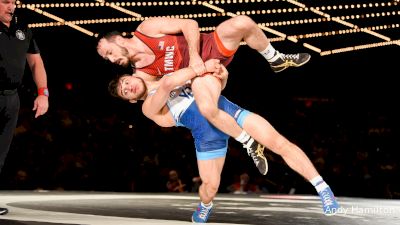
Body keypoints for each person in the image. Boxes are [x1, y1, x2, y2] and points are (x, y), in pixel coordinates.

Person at [108, 59, 340, 222]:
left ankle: (324, 189)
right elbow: (168, 85)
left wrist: (222, 77)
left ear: (131, 76)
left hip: (229, 112)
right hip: (208, 137)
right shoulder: (150, 107)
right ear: (130, 100)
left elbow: (214, 87)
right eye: (125, 91)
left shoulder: (169, 72)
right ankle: (206, 205)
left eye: (125, 82)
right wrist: (202, 67)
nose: (128, 86)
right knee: (210, 187)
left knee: (281, 144)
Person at [97, 16, 311, 176]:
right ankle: (249, 142)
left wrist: (195, 56)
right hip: (203, 75)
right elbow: (164, 91)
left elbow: (189, 24)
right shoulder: (141, 74)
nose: (110, 59)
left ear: (118, 39)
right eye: (107, 58)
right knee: (208, 107)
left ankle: (276, 59)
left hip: (207, 47)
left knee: (243, 23)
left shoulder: (147, 29)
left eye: (109, 53)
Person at [0, 0, 50, 215]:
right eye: (5, 2)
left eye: (13, 3)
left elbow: (36, 63)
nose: (11, 7)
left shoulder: (22, 27)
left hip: (11, 98)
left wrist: (43, 93)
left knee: (0, 151)